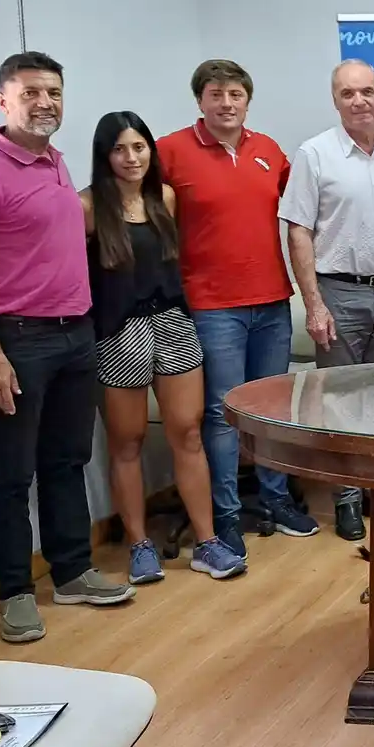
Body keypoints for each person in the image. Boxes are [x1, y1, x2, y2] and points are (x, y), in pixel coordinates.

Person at [0, 52, 135, 644]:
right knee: (9, 471)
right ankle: (14, 593)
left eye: (53, 92)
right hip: (17, 340)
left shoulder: (53, 162)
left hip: (75, 333)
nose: (45, 102)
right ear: (4, 100)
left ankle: (72, 569)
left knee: (66, 460)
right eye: (31, 93)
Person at [80, 112, 246, 584]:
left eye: (138, 147)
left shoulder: (164, 199)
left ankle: (207, 542)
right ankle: (139, 546)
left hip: (173, 323)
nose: (131, 158)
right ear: (104, 155)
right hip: (120, 332)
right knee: (127, 442)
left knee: (187, 433)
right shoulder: (88, 207)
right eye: (119, 149)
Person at [158, 59, 316, 554]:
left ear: (248, 100)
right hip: (211, 306)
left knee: (271, 408)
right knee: (224, 412)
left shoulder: (268, 150)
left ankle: (275, 498)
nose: (226, 104)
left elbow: (306, 209)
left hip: (271, 300)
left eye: (235, 95)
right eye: (215, 94)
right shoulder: (169, 152)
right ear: (199, 100)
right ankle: (225, 514)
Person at [281, 59, 374, 542]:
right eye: (348, 94)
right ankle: (345, 496)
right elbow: (298, 230)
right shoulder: (315, 154)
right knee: (339, 401)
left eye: (367, 91)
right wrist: (314, 303)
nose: (359, 101)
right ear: (335, 99)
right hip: (338, 294)